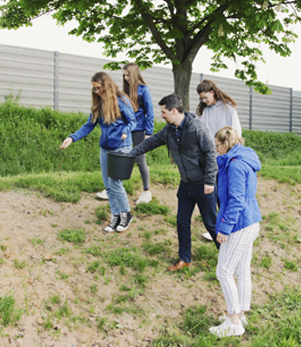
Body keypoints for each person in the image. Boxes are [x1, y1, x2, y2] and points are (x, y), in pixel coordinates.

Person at [129, 93, 220, 271]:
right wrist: (128, 155)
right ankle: (184, 258)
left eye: (163, 112)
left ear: (173, 110)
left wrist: (210, 180)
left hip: (204, 185)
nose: (161, 115)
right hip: (186, 184)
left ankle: (226, 257)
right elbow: (150, 143)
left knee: (211, 223)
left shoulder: (197, 128)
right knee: (182, 222)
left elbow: (211, 154)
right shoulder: (169, 131)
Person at [60, 72, 136, 233]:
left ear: (106, 86)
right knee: (108, 184)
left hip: (121, 146)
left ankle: (126, 214)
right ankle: (115, 216)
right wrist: (72, 138)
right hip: (105, 148)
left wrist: (125, 130)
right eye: (94, 89)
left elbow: (132, 121)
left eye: (99, 88)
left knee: (115, 183)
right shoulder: (99, 104)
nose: (97, 92)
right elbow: (89, 125)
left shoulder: (121, 101)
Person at [209, 126, 262, 338]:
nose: (216, 151)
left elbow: (236, 200)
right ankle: (240, 314)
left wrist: (223, 228)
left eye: (217, 147)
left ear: (225, 144)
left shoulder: (235, 165)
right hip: (249, 221)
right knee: (241, 271)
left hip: (239, 224)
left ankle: (233, 323)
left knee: (223, 271)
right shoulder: (243, 158)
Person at [97, 63, 155, 204]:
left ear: (134, 75)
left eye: (128, 75)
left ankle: (146, 191)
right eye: (124, 75)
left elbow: (150, 112)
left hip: (139, 130)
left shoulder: (144, 90)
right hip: (125, 131)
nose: (125, 78)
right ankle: (112, 188)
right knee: (118, 158)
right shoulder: (125, 92)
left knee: (140, 160)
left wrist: (149, 132)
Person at [196, 79, 242, 241]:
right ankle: (216, 228)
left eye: (205, 97)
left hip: (225, 159)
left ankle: (229, 228)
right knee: (214, 194)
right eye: (201, 98)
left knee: (226, 195)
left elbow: (236, 134)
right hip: (210, 158)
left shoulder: (228, 109)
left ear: (213, 92)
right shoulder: (204, 111)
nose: (203, 101)